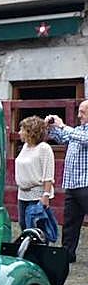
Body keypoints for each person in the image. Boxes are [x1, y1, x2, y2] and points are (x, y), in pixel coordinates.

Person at [46, 100, 88, 263]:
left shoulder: (80, 133)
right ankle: (67, 254)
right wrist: (52, 126)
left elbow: (84, 139)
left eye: (82, 112)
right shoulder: (76, 130)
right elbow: (62, 138)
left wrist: (62, 125)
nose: (79, 115)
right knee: (70, 223)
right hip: (72, 185)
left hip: (86, 184)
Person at [14, 115, 55, 230]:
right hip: (22, 194)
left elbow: (48, 174)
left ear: (30, 132)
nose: (19, 133)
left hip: (37, 195)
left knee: (37, 227)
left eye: (22, 130)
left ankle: (39, 248)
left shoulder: (44, 148)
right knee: (24, 224)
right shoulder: (25, 147)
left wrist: (45, 196)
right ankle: (29, 248)